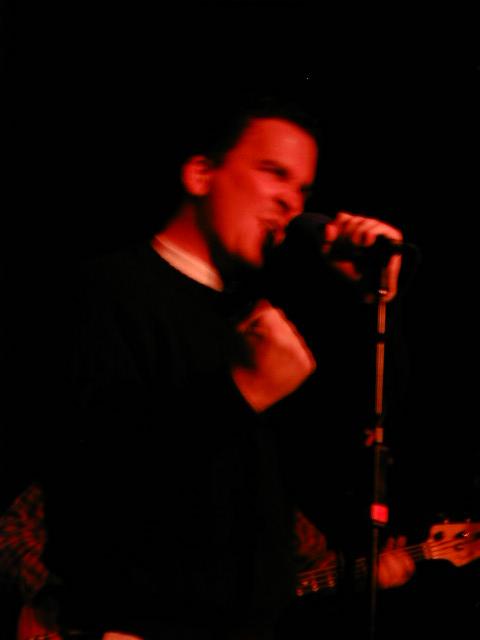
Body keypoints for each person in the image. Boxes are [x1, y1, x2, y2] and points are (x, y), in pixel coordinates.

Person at [13, 92, 415, 639]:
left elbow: (343, 450)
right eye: (273, 172)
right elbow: (98, 482)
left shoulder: (256, 317)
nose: (290, 201)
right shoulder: (107, 292)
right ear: (201, 174)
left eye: (303, 189)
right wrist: (242, 392)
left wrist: (368, 300)